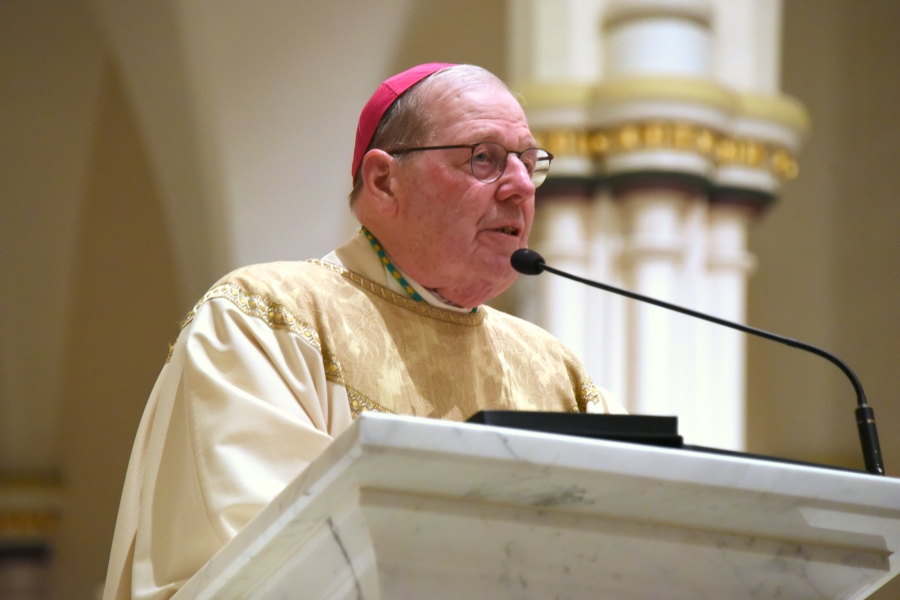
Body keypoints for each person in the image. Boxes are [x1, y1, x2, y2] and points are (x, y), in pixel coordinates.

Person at [102, 63, 624, 600]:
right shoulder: (266, 320)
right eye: (483, 159)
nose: (519, 186)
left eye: (529, 162)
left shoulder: (556, 373)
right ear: (383, 181)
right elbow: (266, 564)